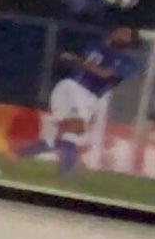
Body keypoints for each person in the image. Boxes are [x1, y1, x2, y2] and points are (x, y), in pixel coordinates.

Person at [28, 22, 144, 174]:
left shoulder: (129, 63)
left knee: (66, 132)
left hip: (91, 96)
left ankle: (23, 154)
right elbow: (87, 60)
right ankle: (64, 174)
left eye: (125, 34)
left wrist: (76, 60)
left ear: (131, 42)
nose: (119, 34)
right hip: (73, 88)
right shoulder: (95, 46)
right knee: (73, 129)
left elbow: (105, 74)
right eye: (119, 31)